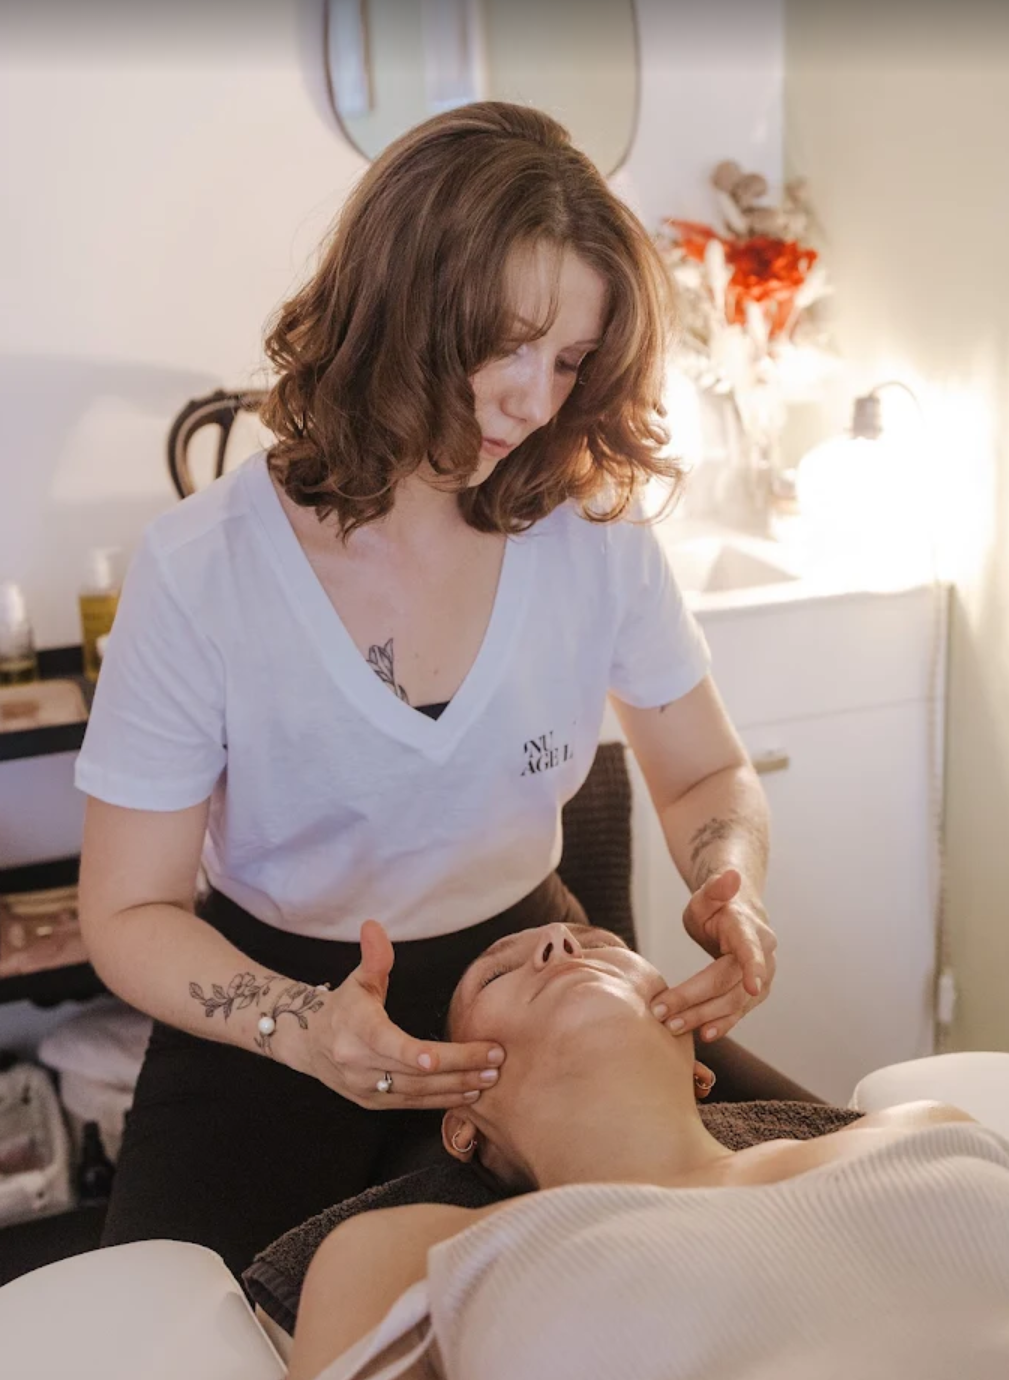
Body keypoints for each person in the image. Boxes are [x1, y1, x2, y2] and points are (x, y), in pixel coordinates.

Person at [75, 101, 783, 1282]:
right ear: (391, 314)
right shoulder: (206, 568)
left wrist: (730, 880)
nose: (534, 401)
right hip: (273, 994)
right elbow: (127, 913)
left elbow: (705, 773)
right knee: (159, 1326)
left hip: (532, 987)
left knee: (716, 1248)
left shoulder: (590, 537)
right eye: (501, 346)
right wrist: (301, 1028)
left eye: (568, 361)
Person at [287, 919, 1009, 1380]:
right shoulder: (404, 1254)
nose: (563, 946)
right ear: (461, 1122)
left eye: (603, 945)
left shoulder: (918, 1126)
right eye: (500, 972)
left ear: (700, 1067)